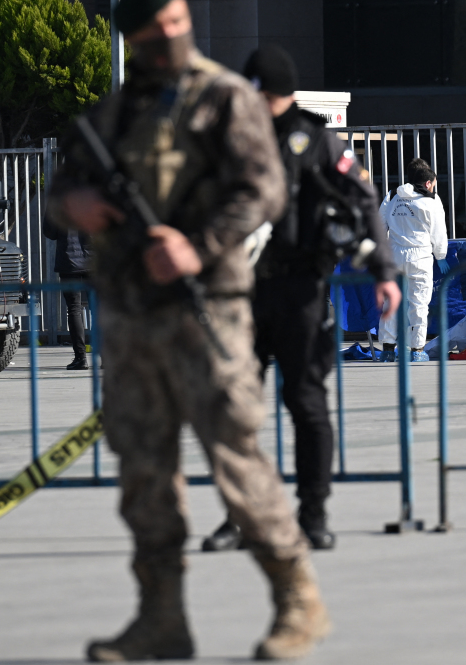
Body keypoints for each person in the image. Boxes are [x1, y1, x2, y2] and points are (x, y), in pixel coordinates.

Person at [49, 0, 330, 661]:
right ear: (135, 40)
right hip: (132, 319)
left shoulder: (225, 98)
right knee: (144, 473)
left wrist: (196, 248)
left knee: (237, 458)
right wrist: (73, 208)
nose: (171, 37)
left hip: (207, 313)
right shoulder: (113, 113)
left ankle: (298, 601)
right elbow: (63, 185)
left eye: (178, 22)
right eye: (155, 32)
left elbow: (263, 191)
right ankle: (161, 618)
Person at [200, 44, 400, 555]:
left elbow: (363, 201)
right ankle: (238, 516)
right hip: (241, 290)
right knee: (234, 411)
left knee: (307, 404)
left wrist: (383, 270)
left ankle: (312, 513)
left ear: (270, 92)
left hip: (300, 291)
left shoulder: (317, 141)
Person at [379, 159, 448, 362]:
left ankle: (388, 350)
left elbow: (379, 226)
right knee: (418, 304)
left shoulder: (392, 196)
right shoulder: (432, 200)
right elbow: (439, 233)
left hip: (394, 256)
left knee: (390, 302)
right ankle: (417, 350)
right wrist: (441, 256)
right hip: (420, 257)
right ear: (427, 183)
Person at [44, 218, 93, 370]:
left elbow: (50, 232)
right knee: (99, 309)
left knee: (74, 309)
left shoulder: (59, 199)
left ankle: (81, 358)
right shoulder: (96, 195)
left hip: (69, 260)